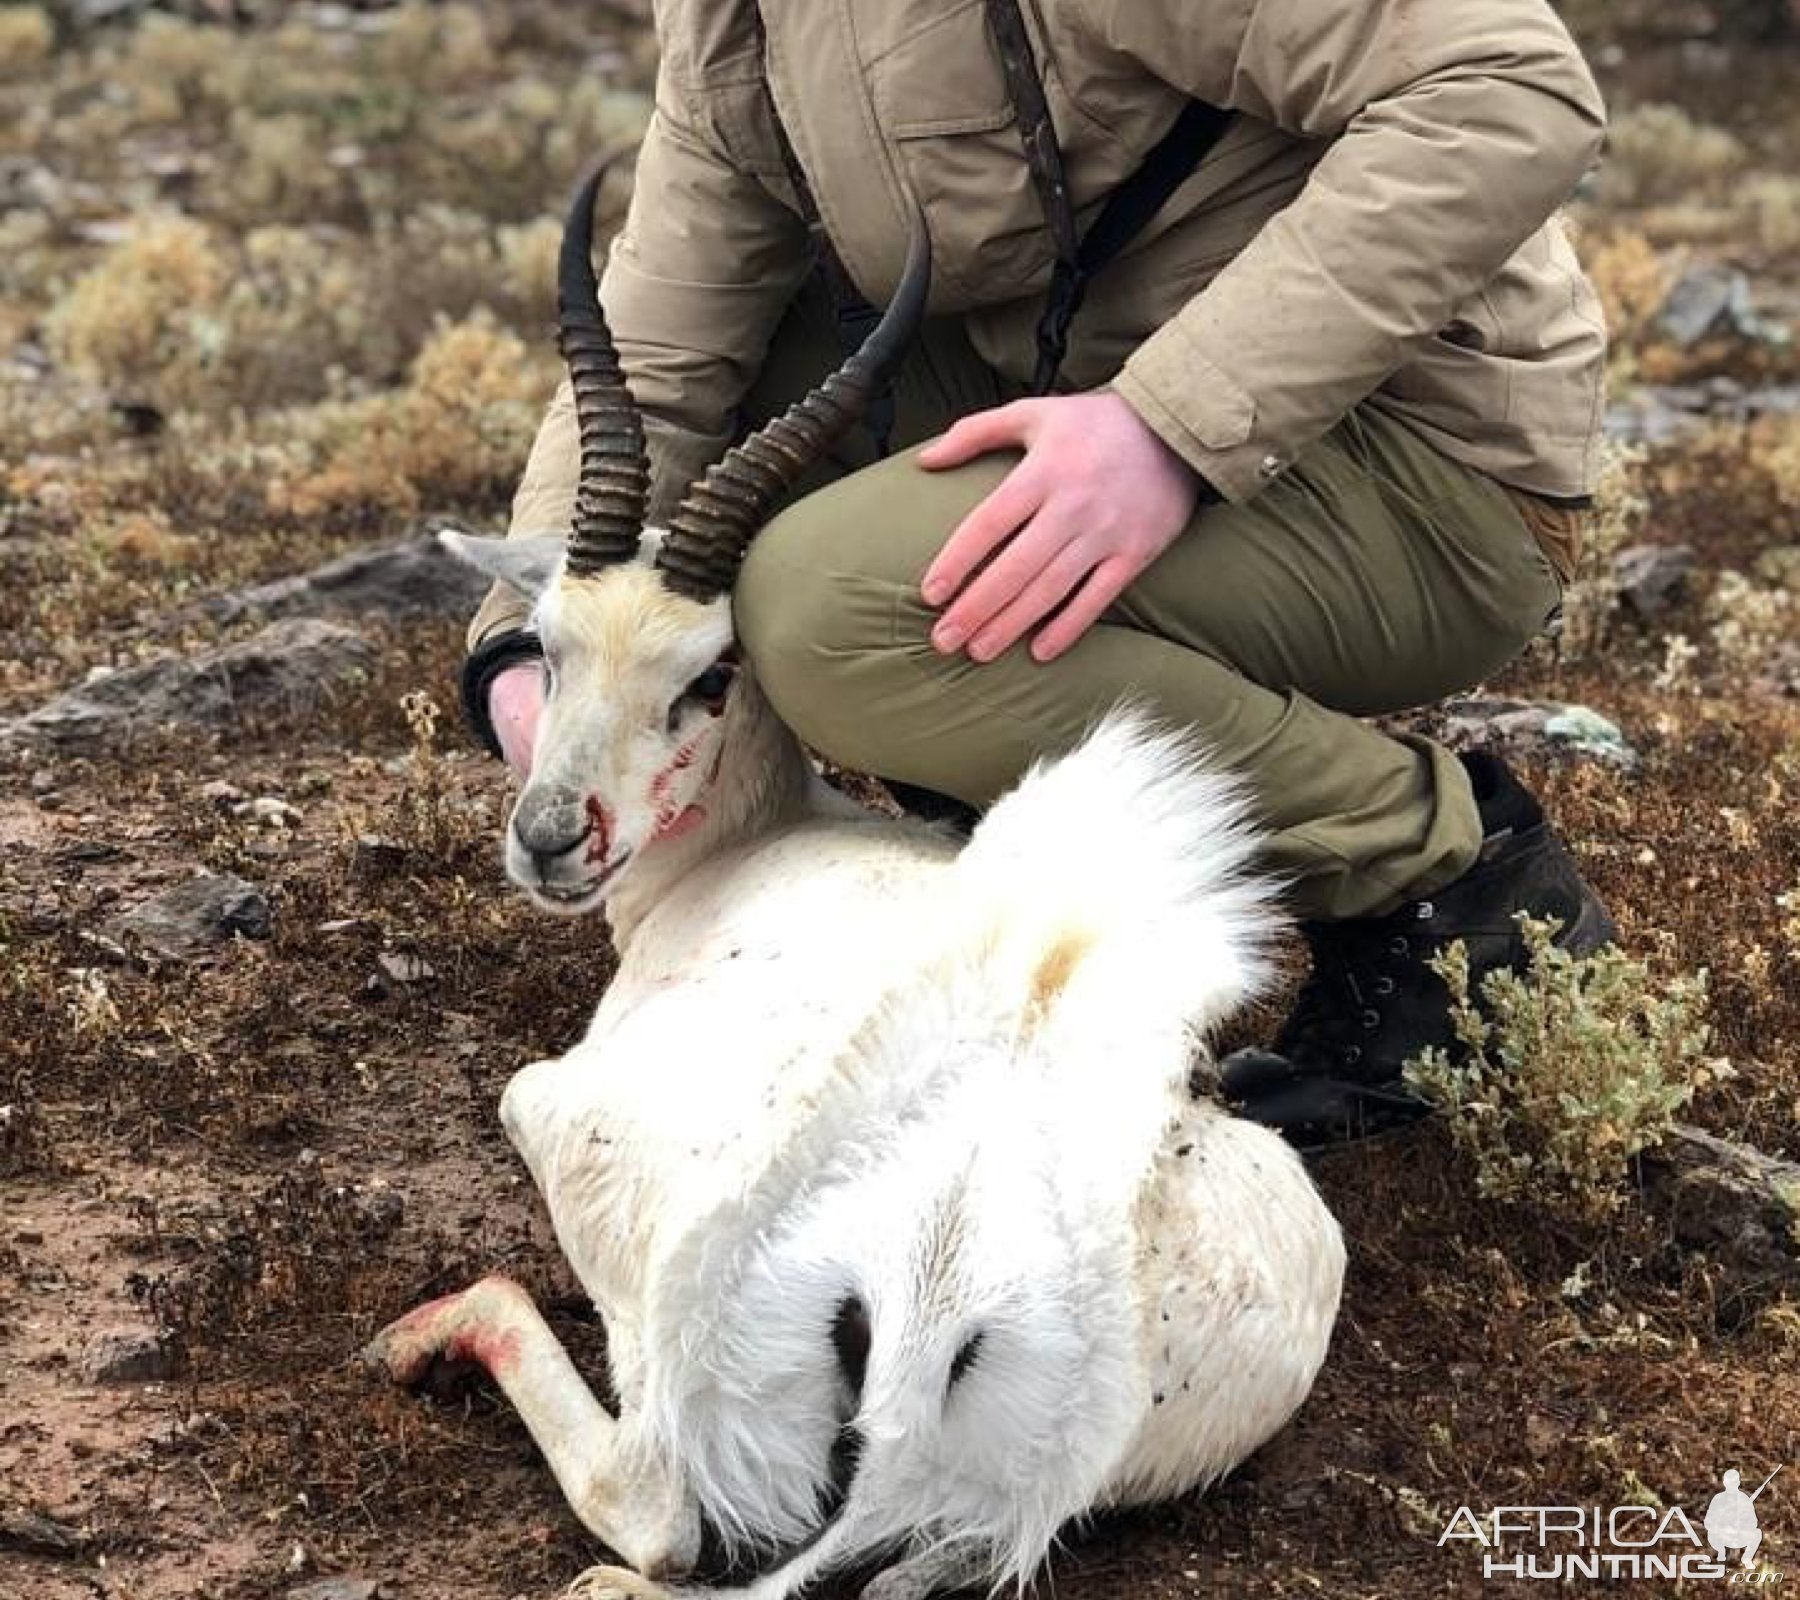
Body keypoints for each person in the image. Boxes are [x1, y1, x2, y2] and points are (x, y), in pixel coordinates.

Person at [461, 0, 1617, 1148]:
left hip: (1421, 461)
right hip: (1093, 394)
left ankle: (1448, 891)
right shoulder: (737, 19)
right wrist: (538, 641)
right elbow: (661, 368)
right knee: (765, 398)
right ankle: (1006, 800)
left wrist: (1168, 429)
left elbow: (1506, 88)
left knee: (833, 617)